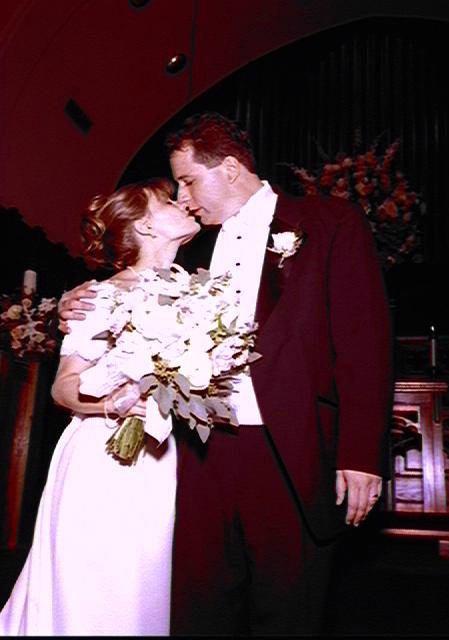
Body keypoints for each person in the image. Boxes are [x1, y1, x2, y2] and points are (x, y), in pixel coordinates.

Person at [59, 112, 393, 636]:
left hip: (288, 449)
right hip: (196, 456)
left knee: (288, 609)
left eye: (189, 181)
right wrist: (73, 302)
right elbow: (124, 287)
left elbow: (363, 341)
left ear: (230, 169)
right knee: (200, 610)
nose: (184, 199)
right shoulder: (187, 244)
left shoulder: (329, 221)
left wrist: (359, 455)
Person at [0, 177, 200, 636]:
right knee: (99, 583)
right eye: (168, 201)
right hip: (104, 456)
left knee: (147, 583)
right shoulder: (100, 296)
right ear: (146, 227)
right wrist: (117, 402)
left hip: (163, 457)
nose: (183, 204)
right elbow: (63, 387)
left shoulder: (197, 294)